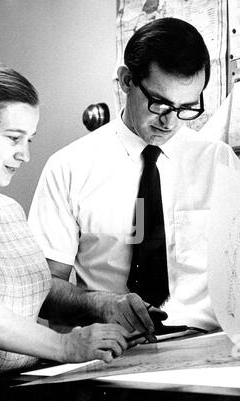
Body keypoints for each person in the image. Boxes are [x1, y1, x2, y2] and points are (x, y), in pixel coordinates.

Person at [0, 61, 133, 401]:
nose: (26, 154)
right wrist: (64, 345)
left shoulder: (8, 209)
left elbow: (38, 298)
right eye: (14, 138)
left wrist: (105, 305)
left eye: (29, 139)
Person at [28, 17, 239, 334]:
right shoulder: (69, 167)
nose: (170, 122)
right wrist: (102, 304)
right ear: (126, 81)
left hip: (205, 344)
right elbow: (42, 290)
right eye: (159, 103)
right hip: (112, 347)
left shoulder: (218, 160)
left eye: (187, 107)